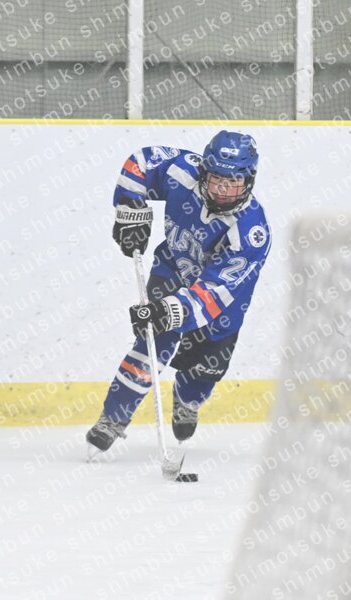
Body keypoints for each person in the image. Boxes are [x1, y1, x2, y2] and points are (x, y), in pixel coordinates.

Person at [86, 131, 271, 453]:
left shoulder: (250, 232)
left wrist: (167, 311)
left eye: (233, 182)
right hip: (172, 270)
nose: (222, 190)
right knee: (151, 343)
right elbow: (140, 163)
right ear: (203, 171)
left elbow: (214, 292)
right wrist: (131, 208)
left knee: (204, 371)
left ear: (249, 180)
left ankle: (187, 401)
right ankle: (112, 419)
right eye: (216, 179)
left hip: (223, 307)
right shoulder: (182, 172)